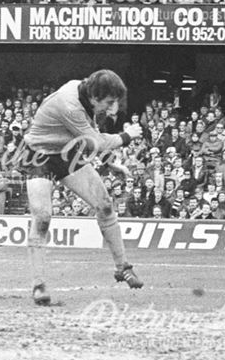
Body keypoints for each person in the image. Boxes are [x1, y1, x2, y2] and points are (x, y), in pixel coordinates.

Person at [20, 69, 144, 305]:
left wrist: (111, 163)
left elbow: (87, 138)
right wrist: (127, 136)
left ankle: (123, 267)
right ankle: (39, 285)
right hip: (39, 155)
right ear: (95, 97)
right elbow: (96, 142)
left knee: (105, 205)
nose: (111, 108)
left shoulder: (86, 96)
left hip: (67, 154)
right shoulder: (70, 105)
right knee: (43, 217)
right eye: (108, 103)